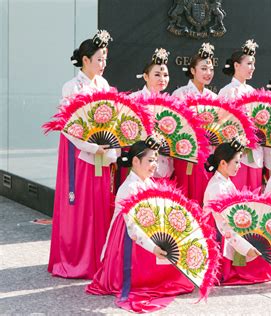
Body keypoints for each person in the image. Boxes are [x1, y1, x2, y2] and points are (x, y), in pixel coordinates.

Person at [86, 139, 194, 313]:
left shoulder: (149, 183)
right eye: (150, 160)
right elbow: (133, 229)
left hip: (146, 234)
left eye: (156, 160)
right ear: (135, 161)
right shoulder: (130, 187)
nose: (154, 165)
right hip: (129, 241)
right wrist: (153, 247)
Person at [48, 30, 117, 279]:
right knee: (80, 206)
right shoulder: (71, 87)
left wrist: (110, 147)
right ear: (85, 60)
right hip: (77, 153)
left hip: (101, 152)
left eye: (105, 59)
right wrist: (90, 146)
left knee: (99, 203)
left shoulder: (104, 85)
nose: (103, 64)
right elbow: (68, 125)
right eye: (99, 59)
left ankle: (99, 258)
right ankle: (76, 258)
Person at [203, 139, 271, 285]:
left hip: (229, 229)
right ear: (223, 163)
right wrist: (245, 248)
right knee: (260, 265)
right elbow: (223, 226)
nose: (240, 166)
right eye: (236, 162)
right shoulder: (217, 187)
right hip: (219, 235)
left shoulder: (224, 181)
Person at [172, 43, 217, 205]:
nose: (208, 73)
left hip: (207, 154)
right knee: (184, 195)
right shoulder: (180, 94)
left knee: (203, 195)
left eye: (211, 69)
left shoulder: (213, 97)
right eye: (204, 68)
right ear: (192, 71)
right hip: (184, 153)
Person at [218, 39, 263, 192]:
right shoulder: (227, 91)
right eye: (249, 64)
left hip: (255, 149)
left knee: (254, 192)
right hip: (236, 151)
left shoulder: (252, 91)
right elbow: (222, 122)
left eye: (253, 64)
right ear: (236, 65)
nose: (252, 68)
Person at [130, 48, 173, 179]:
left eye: (165, 75)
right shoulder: (133, 100)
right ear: (145, 76)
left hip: (164, 165)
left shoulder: (171, 104)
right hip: (140, 163)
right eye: (157, 75)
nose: (162, 79)